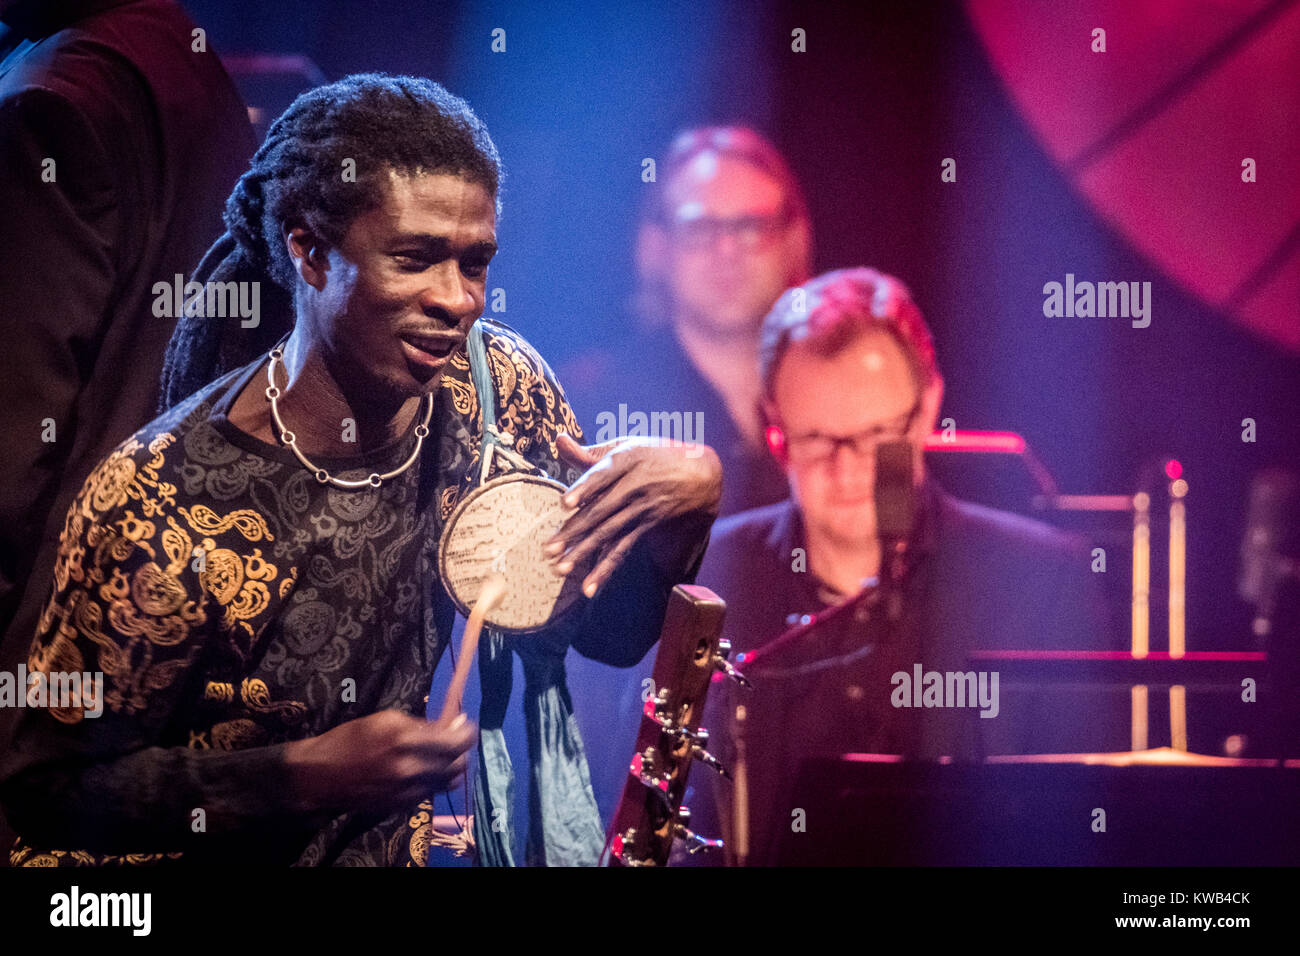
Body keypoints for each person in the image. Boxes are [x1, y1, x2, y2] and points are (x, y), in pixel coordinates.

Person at [0, 74, 722, 867]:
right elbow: (49, 790)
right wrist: (301, 776)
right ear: (309, 251)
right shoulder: (162, 502)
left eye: (474, 263)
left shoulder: (497, 394)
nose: (458, 300)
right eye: (414, 259)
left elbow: (605, 633)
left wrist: (685, 508)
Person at [689, 268, 1126, 866]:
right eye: (815, 438)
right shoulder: (708, 578)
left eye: (874, 437)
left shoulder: (1042, 585)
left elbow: (1083, 829)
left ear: (927, 411)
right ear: (776, 426)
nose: (846, 471)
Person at [0, 0, 255, 855]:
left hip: (38, 673)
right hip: (163, 642)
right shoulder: (188, 66)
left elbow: (8, 458)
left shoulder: (55, 96)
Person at [565, 126, 814, 819]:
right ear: (657, 245)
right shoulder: (591, 401)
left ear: (793, 239)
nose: (729, 250)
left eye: (752, 226)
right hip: (641, 743)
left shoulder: (833, 389)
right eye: (702, 227)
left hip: (803, 732)